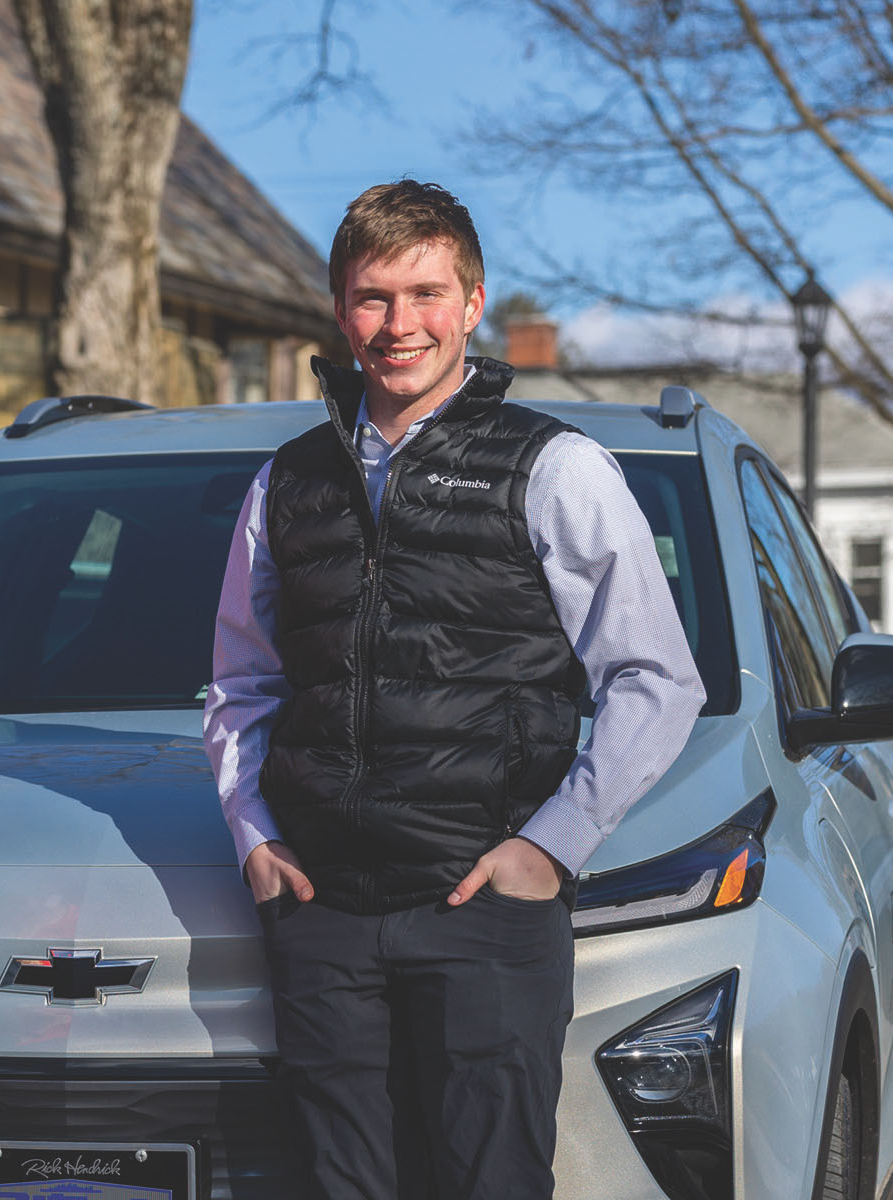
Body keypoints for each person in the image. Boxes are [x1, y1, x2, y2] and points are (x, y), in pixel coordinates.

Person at [203, 180, 704, 1199]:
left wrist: (548, 846)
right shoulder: (286, 483)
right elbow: (240, 681)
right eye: (371, 298)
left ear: (472, 305)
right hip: (324, 908)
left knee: (489, 1181)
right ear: (338, 310)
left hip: (482, 902)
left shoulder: (555, 468)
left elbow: (656, 678)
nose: (399, 326)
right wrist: (252, 833)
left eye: (425, 295)